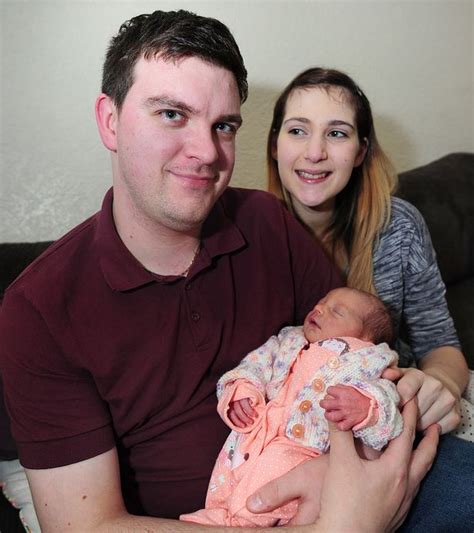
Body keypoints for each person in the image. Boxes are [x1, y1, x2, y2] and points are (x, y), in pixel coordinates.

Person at [0, 11, 438, 532]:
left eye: (223, 126)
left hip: (346, 472)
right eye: (171, 114)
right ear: (110, 120)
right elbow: (87, 525)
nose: (207, 152)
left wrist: (406, 405)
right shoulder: (39, 309)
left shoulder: (266, 222)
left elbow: (354, 354)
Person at [266, 66, 472, 529]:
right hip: (296, 444)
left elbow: (442, 343)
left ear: (360, 151)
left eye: (336, 134)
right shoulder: (252, 233)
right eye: (298, 131)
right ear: (275, 143)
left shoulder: (397, 225)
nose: (315, 153)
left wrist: (440, 383)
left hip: (390, 419)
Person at [181, 287, 403, 527]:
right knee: (231, 475)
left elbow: (387, 399)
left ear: (366, 337)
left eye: (337, 312)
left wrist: (365, 407)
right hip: (258, 432)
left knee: (269, 482)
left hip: (304, 450)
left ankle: (235, 523)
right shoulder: (288, 340)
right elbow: (255, 364)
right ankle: (218, 512)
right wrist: (242, 390)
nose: (319, 309)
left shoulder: (367, 360)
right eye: (321, 302)